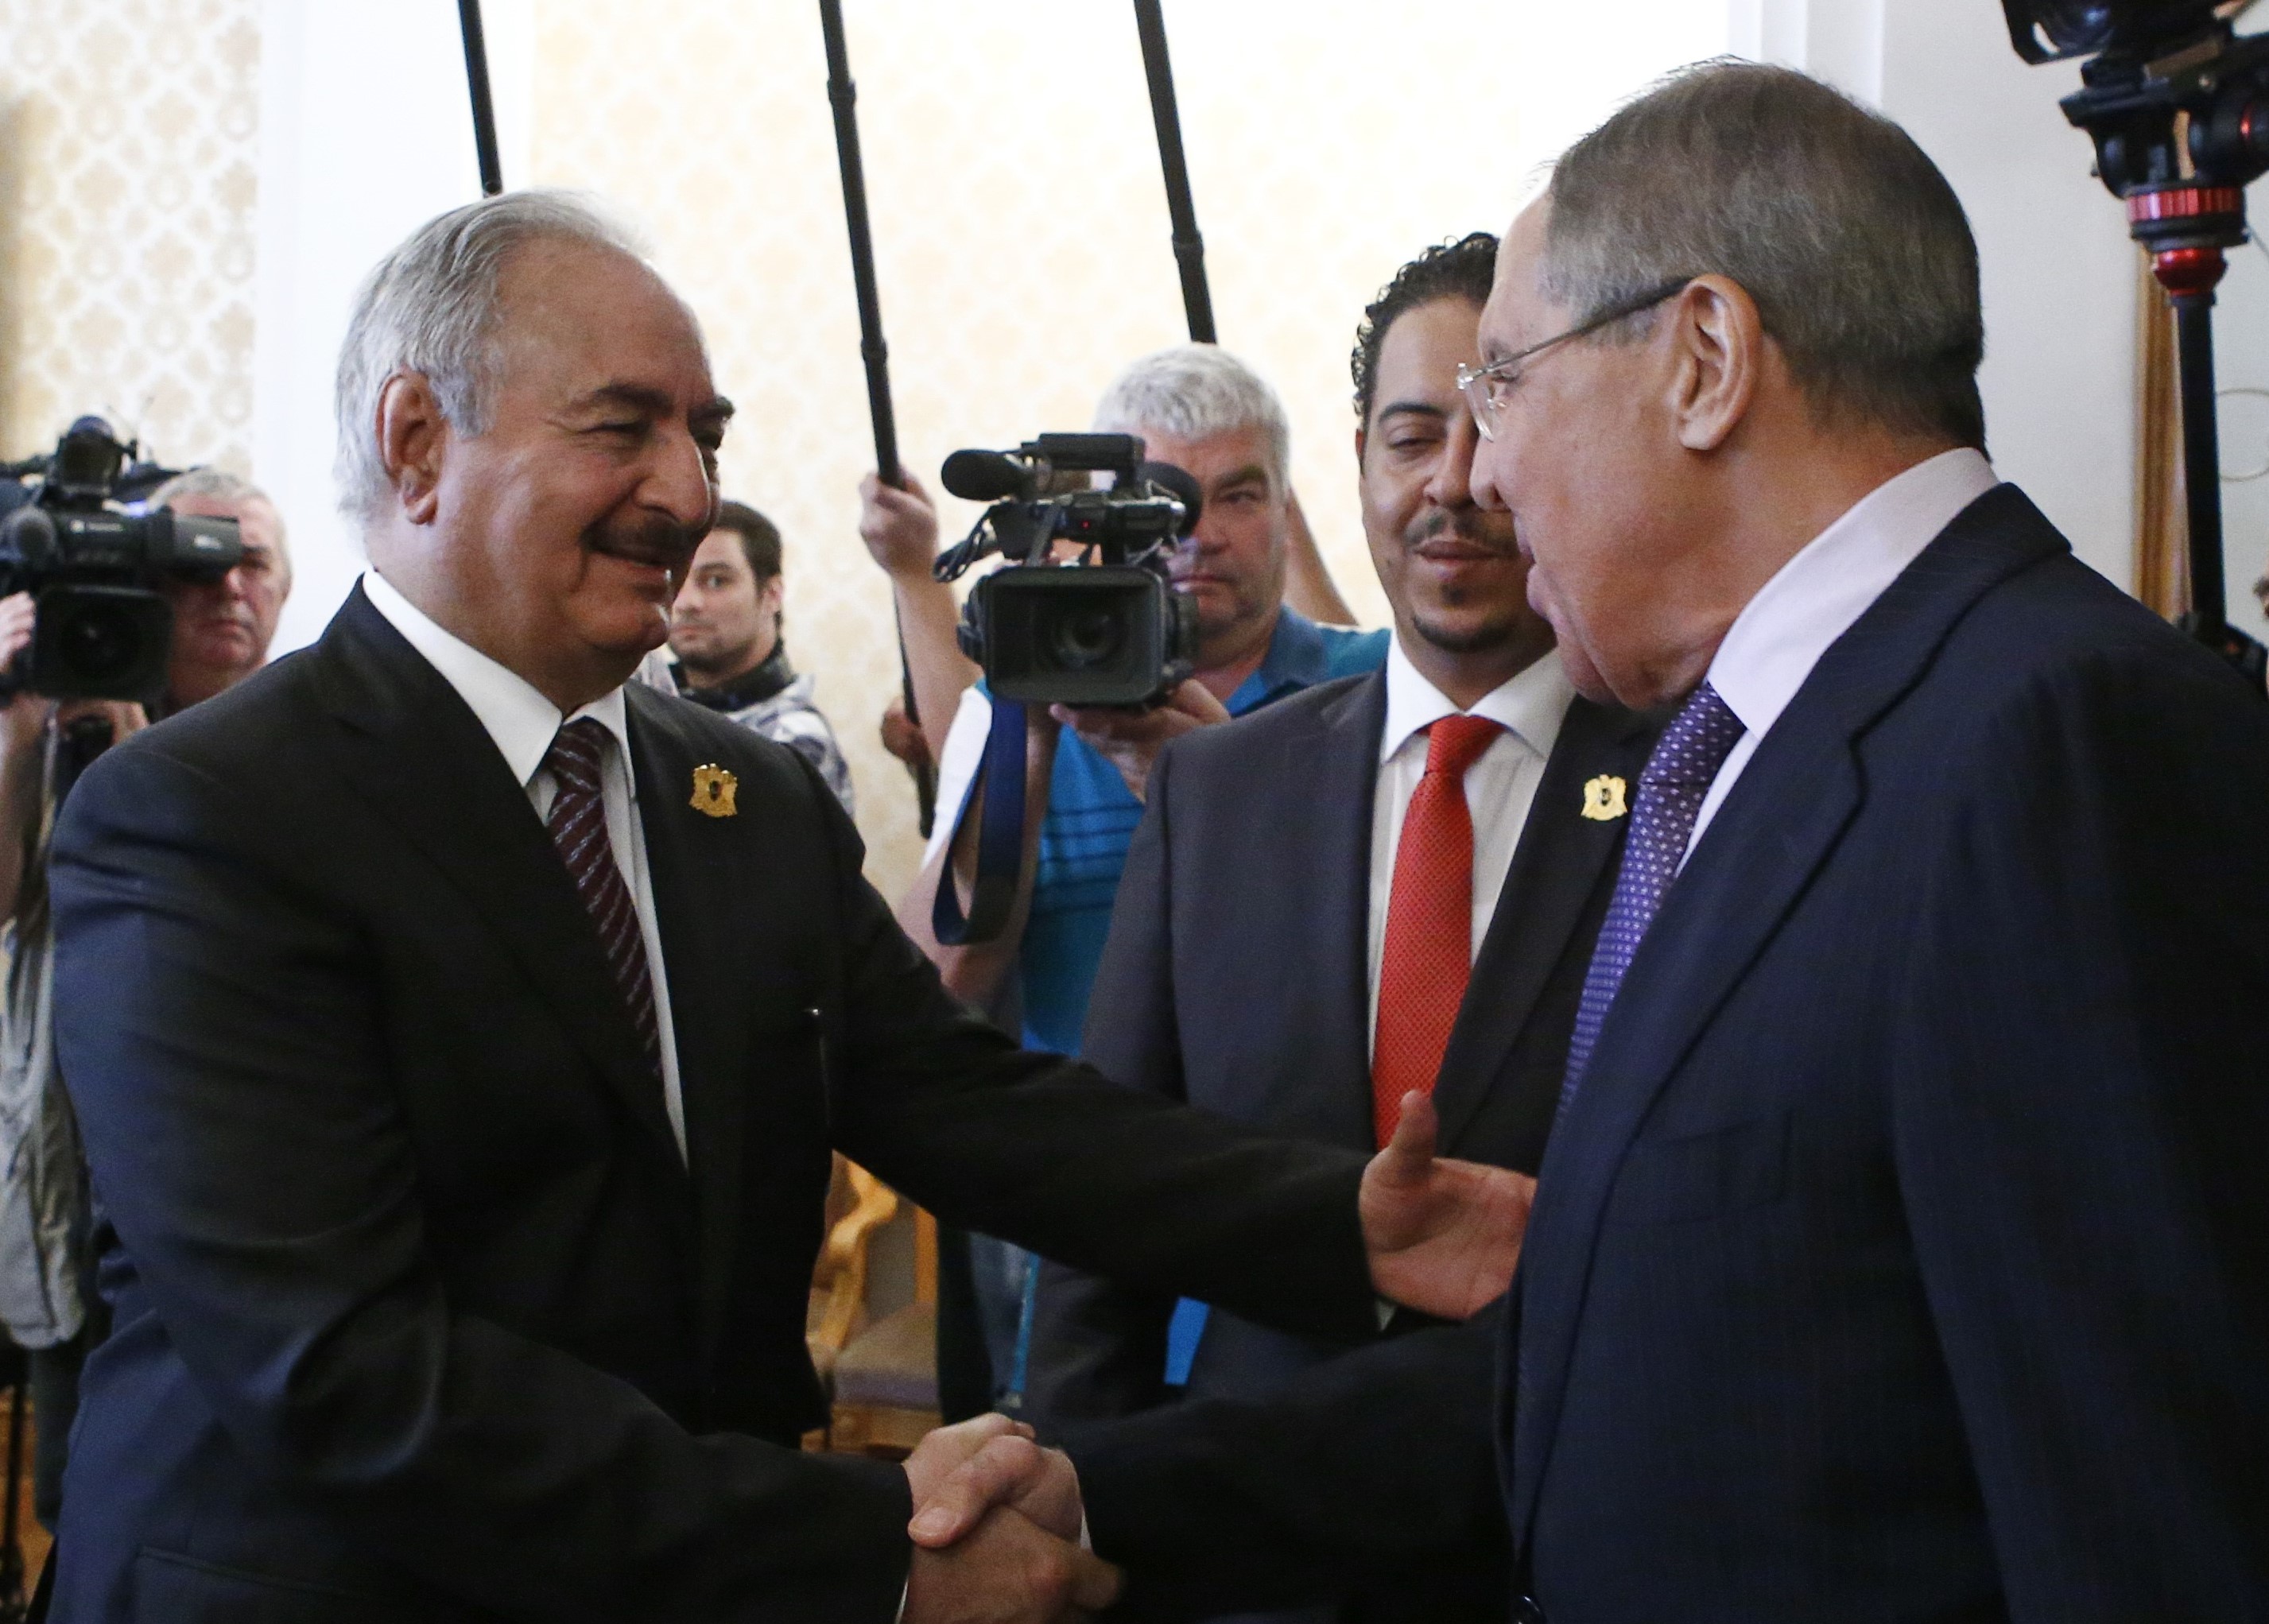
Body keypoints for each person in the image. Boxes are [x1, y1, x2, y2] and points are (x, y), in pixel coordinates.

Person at [43, 190, 1526, 1624]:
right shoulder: (206, 818)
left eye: (703, 434)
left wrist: (1342, 1220)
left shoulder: (739, 799)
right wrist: (875, 1553)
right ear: (418, 441)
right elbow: (345, 1371)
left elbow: (969, 1106)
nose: (686, 492)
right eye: (623, 426)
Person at [918, 62, 2269, 1622]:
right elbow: (1622, 1350)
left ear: (1702, 359)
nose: (1478, 475)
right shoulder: (1763, 745)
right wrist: (1102, 1485)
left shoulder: (2050, 744)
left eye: (1506, 381)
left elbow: (2150, 1511)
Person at [1021, 234, 1654, 1623]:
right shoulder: (1217, 786)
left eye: (1487, 427)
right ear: (1355, 470)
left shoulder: (1684, 773)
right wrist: (1068, 1524)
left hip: (1572, 1536)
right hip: (1242, 1550)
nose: (1445, 484)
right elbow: (1105, 1202)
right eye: (1405, 433)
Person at [879, 347, 1391, 1414]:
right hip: (1080, 1237)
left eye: (1237, 495)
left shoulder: (1376, 691)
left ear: (1285, 512)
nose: (1199, 533)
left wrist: (1217, 795)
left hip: (1309, 1226)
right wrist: (1022, 729)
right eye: (1164, 500)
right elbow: (939, 983)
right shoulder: (1009, 712)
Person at [0, 466, 292, 1533]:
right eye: (191, 566)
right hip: (65, 1187)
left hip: (239, 1198)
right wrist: (19, 720)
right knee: (73, 1497)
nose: (224, 591)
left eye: (247, 562)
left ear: (286, 586)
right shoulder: (61, 715)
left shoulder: (319, 731)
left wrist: (132, 758)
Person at [666, 497, 854, 813]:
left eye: (715, 581)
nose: (686, 602)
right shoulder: (640, 705)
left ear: (772, 594)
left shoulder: (793, 740)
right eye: (676, 578)